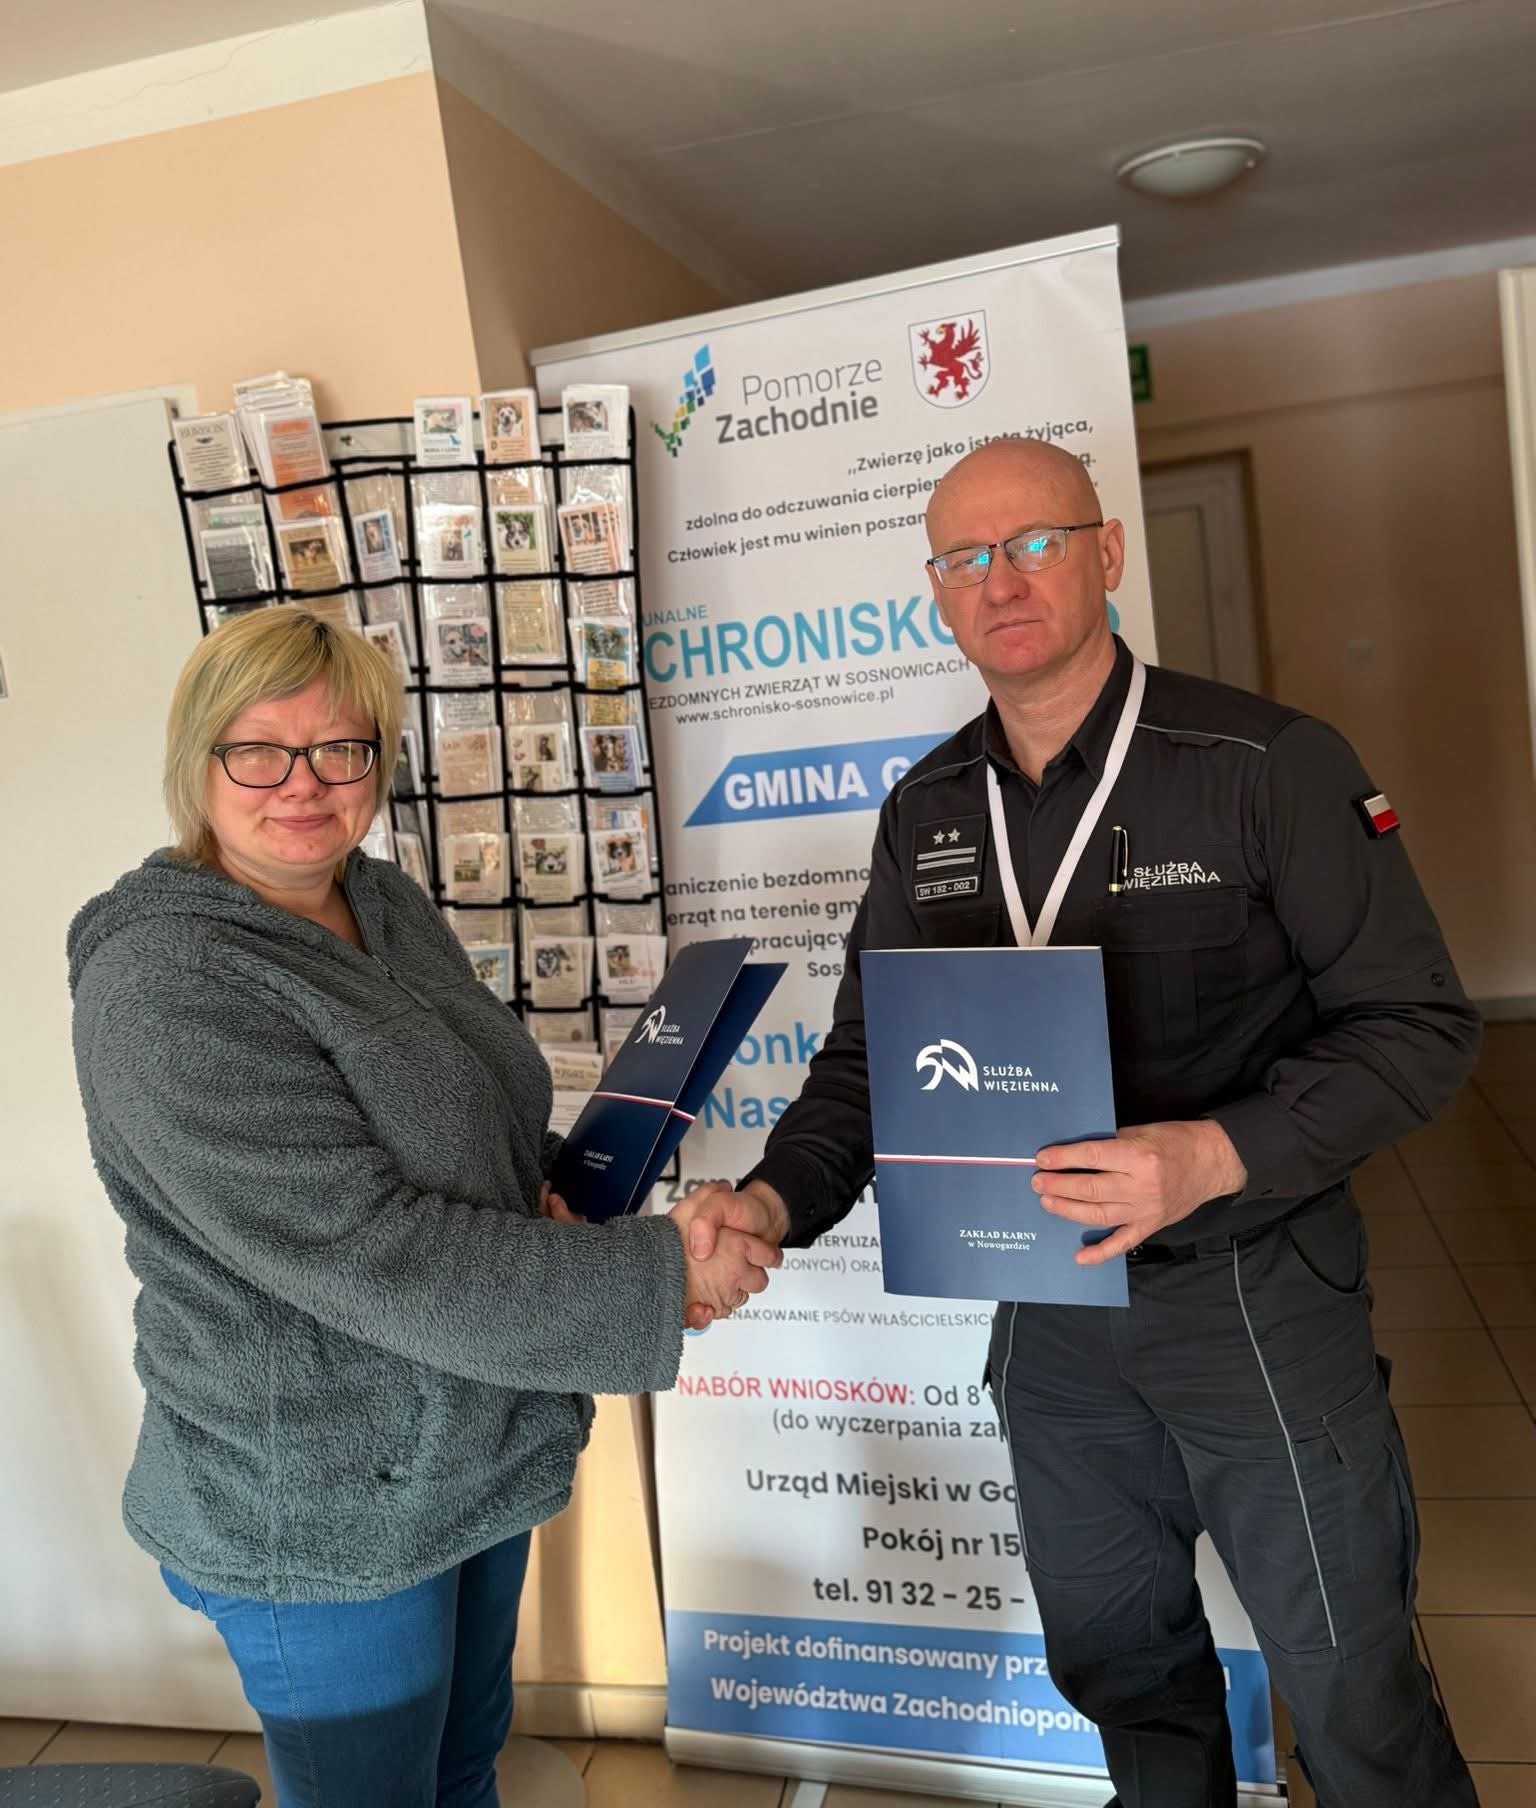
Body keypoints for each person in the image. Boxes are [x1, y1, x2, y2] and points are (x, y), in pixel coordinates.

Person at [678, 437, 1480, 1808]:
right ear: (936, 589)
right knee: (1121, 1668)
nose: (1002, 580)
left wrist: (1214, 1151)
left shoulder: (1265, 762)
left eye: (1035, 543)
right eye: (965, 558)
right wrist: (770, 1200)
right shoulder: (926, 809)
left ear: (1106, 553)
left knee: (1351, 1682)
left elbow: (1419, 1028)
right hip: (1048, 1316)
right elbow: (869, 1065)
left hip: (1252, 1290)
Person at [69, 606, 777, 1808]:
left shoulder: (381, 901)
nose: (304, 783)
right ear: (198, 761)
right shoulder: (164, 985)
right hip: (320, 1496)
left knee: (459, 1767)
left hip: (464, 1443)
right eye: (260, 749)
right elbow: (372, 1249)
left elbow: (468, 1120)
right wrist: (658, 1272)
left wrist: (571, 1188)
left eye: (340, 749)